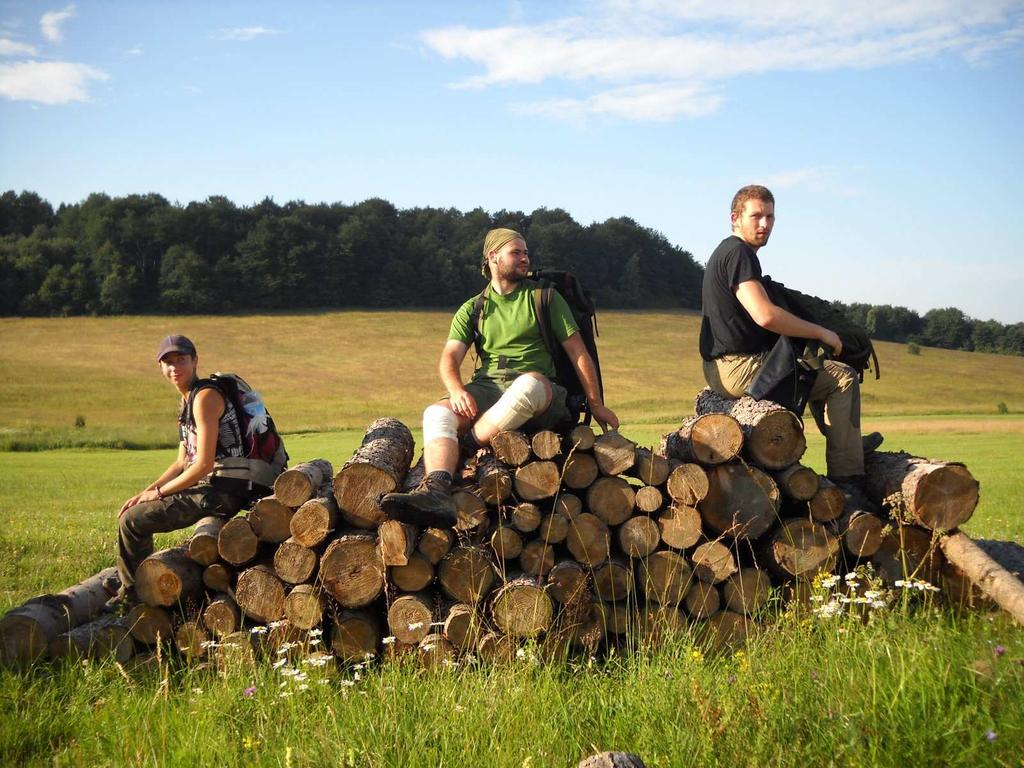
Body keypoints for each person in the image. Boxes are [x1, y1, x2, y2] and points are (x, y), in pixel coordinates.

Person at [381, 228, 619, 527]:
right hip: (488, 387)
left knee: (528, 385)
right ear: (493, 257)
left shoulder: (544, 297)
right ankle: (437, 490)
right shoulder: (473, 308)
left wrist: (596, 404)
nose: (525, 258)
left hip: (543, 395)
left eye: (526, 253)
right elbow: (449, 358)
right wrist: (456, 391)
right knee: (436, 414)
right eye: (516, 252)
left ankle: (467, 444)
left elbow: (578, 353)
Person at [699, 185, 881, 487]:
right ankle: (849, 478)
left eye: (770, 217)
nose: (764, 224)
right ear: (735, 218)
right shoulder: (739, 253)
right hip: (739, 369)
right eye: (756, 216)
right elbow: (765, 315)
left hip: (719, 369)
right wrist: (822, 332)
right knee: (843, 377)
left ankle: (845, 441)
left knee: (808, 363)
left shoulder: (726, 252)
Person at [110, 335, 285, 607]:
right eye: (168, 362)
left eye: (181, 360)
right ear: (160, 367)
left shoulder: (204, 398)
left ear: (195, 361)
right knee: (136, 511)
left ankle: (135, 598)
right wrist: (148, 491)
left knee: (131, 522)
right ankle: (142, 587)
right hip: (222, 485)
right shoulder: (187, 402)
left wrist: (158, 493)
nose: (175, 367)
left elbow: (202, 464)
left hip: (226, 490)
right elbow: (182, 461)